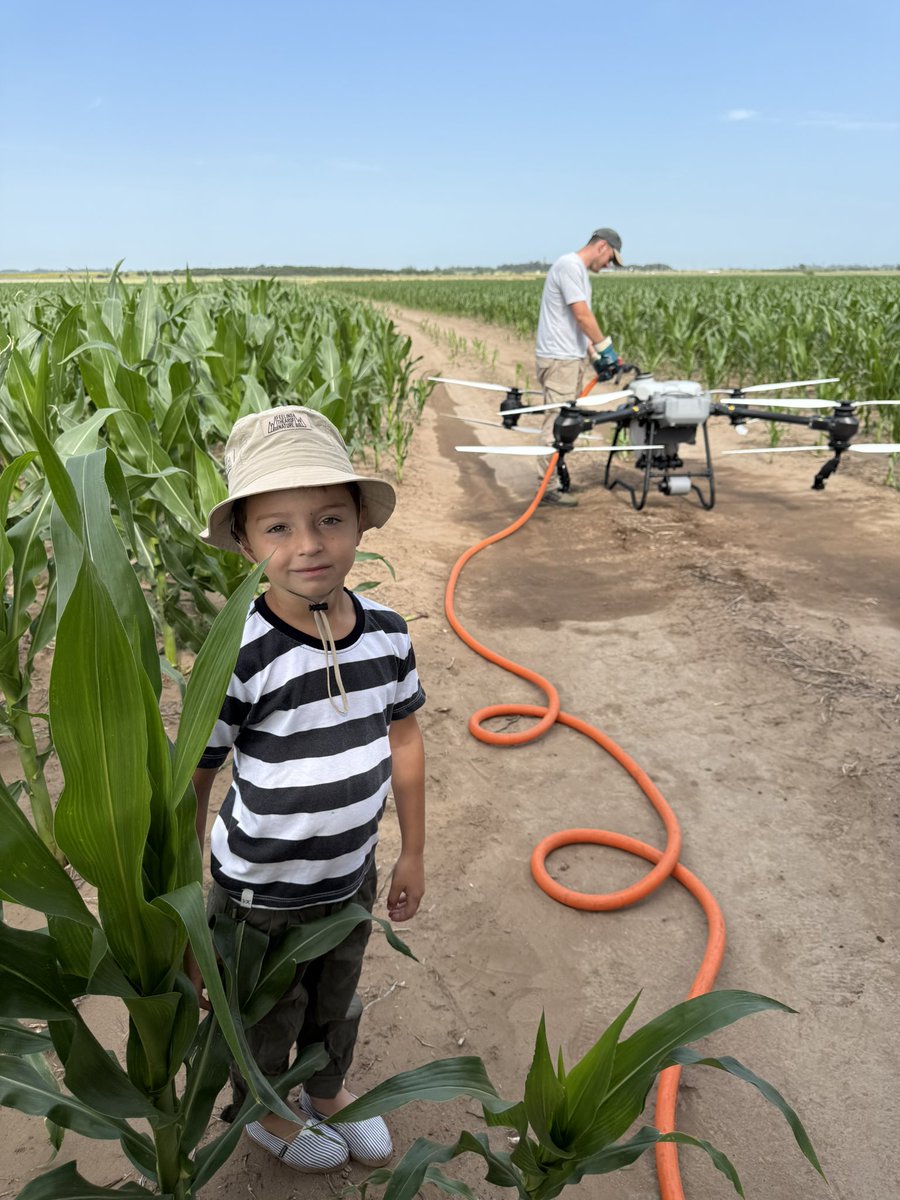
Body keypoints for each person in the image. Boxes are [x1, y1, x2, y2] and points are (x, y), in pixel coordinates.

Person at [190, 405, 426, 1174]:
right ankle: (265, 1109)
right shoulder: (242, 652)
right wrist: (186, 899)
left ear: (360, 522)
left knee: (337, 999)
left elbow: (405, 739)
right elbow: (199, 776)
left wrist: (412, 852)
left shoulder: (387, 632)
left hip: (349, 873)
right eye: (279, 528)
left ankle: (327, 1097)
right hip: (260, 888)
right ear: (247, 542)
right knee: (267, 1010)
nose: (309, 546)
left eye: (329, 518)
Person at [534, 227, 624, 505]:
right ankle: (546, 489)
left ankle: (555, 479)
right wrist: (605, 349)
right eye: (610, 258)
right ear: (602, 247)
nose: (608, 265)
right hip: (559, 360)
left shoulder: (576, 270)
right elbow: (582, 315)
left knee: (566, 424)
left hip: (568, 358)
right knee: (556, 425)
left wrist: (594, 356)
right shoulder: (570, 266)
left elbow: (575, 324)